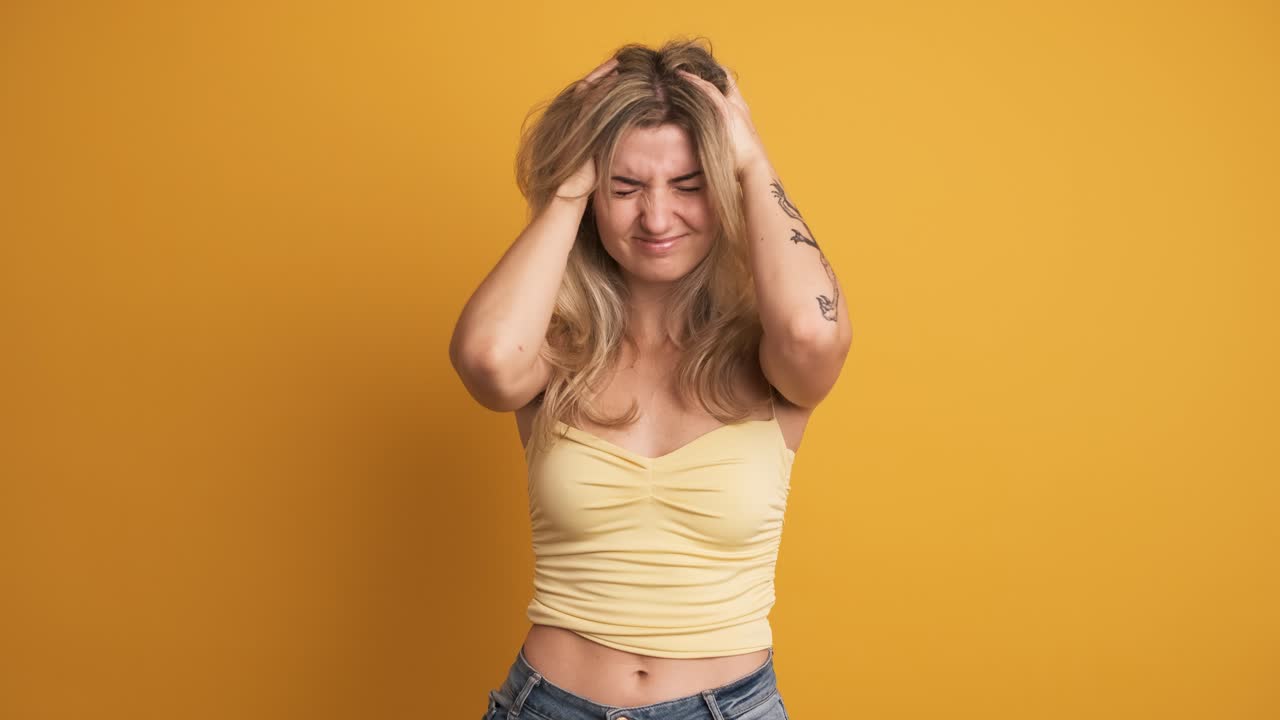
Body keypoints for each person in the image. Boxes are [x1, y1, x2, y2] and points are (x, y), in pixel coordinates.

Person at [450, 37, 852, 720]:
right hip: (548, 706)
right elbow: (486, 361)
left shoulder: (771, 353)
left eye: (690, 185)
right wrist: (572, 177)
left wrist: (751, 160)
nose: (658, 217)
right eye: (625, 187)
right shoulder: (554, 350)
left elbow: (816, 332)